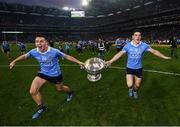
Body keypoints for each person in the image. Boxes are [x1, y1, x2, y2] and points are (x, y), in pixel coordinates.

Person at [9, 35, 84, 120]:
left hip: (55, 75)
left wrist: (78, 62)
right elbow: (25, 56)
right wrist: (14, 61)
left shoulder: (54, 51)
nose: (39, 43)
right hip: (43, 73)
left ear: (46, 43)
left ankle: (70, 92)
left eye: (41, 41)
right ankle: (41, 108)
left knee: (60, 89)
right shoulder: (34, 51)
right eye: (37, 41)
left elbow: (66, 56)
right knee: (33, 91)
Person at [106, 30, 171, 99]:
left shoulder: (144, 45)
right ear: (133, 37)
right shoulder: (127, 46)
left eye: (139, 35)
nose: (138, 37)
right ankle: (130, 89)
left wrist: (164, 57)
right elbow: (120, 54)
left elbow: (154, 52)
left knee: (137, 85)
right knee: (129, 84)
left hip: (138, 68)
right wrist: (111, 61)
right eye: (136, 35)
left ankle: (134, 91)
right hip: (129, 68)